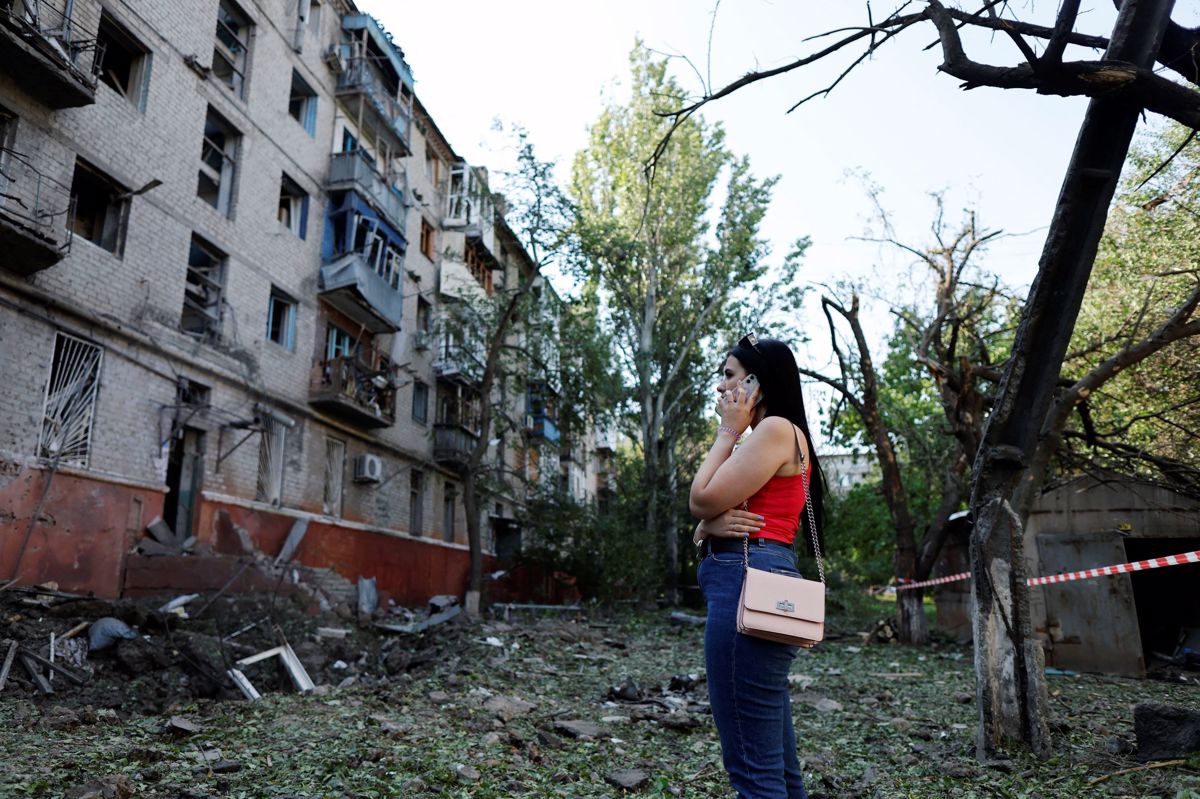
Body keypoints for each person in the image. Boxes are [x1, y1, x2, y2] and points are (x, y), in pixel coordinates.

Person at [689, 333, 825, 799]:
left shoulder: (773, 431)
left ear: (756, 383)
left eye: (729, 376)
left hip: (746, 583)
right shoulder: (780, 434)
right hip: (762, 575)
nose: (720, 387)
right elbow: (710, 514)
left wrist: (727, 433)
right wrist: (707, 527)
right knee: (778, 771)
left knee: (753, 770)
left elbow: (701, 498)